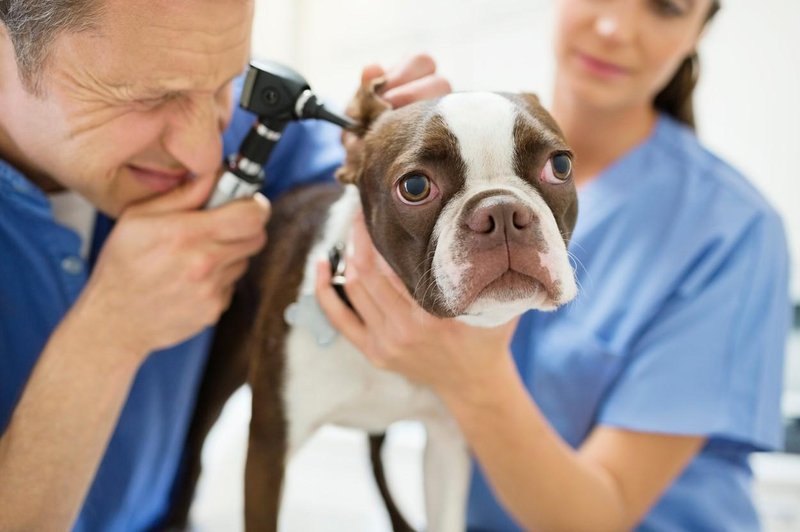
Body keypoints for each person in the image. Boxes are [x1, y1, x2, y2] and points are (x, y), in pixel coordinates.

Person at [316, 0, 793, 530]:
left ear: (700, 30)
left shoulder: (729, 230)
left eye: (668, 7)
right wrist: (381, 147)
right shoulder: (448, 133)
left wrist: (471, 377)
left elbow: (601, 515)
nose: (615, 27)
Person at [0, 0, 450, 530]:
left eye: (224, 87)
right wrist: (106, 340)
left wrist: (409, 161)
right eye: (151, 99)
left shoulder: (240, 119)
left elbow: (348, 181)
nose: (203, 153)